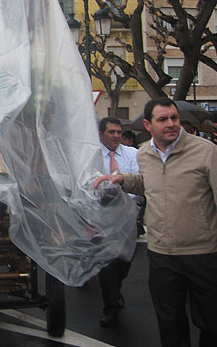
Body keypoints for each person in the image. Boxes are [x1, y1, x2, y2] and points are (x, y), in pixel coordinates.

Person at [96, 98, 217, 346]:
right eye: (163, 119)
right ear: (148, 125)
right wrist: (123, 180)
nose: (171, 124)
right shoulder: (144, 154)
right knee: (169, 322)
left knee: (211, 322)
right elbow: (146, 183)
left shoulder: (205, 151)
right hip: (161, 254)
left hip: (203, 253)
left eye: (174, 118)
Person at [96, 117, 140, 327]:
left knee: (124, 262)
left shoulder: (132, 154)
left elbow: (138, 181)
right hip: (102, 219)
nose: (116, 136)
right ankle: (110, 306)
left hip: (128, 218)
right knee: (107, 264)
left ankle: (115, 288)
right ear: (101, 135)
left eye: (118, 132)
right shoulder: (93, 156)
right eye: (111, 132)